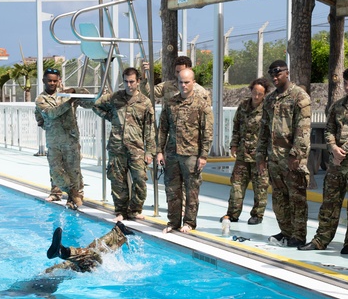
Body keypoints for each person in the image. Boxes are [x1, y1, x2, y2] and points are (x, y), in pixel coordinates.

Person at [298, 65, 348, 254]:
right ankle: (321, 240)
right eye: (345, 83)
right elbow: (329, 130)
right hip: (336, 165)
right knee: (329, 205)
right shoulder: (337, 106)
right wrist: (333, 148)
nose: (347, 87)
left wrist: (344, 150)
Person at [79, 67, 156, 222]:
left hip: (137, 149)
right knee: (117, 181)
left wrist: (150, 152)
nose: (129, 85)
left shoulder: (145, 102)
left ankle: (134, 210)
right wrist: (111, 117)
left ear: (138, 81)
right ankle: (120, 211)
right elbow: (96, 105)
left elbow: (150, 128)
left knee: (140, 180)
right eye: (126, 81)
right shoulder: (115, 97)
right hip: (116, 147)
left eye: (132, 82)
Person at [255, 59, 312, 248]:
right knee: (279, 199)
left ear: (287, 73)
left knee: (296, 198)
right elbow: (263, 129)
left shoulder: (299, 96)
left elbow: (303, 128)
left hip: (291, 159)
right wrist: (260, 156)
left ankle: (298, 235)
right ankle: (286, 231)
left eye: (278, 73)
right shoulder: (270, 99)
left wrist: (296, 155)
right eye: (272, 73)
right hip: (274, 158)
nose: (275, 77)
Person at [0, 221, 135, 297]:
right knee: (94, 253)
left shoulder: (37, 286)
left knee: (94, 252)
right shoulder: (41, 289)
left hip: (62, 270)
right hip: (66, 269)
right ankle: (118, 231)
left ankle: (62, 251)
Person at [157, 68, 214, 233]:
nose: (183, 85)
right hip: (172, 154)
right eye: (181, 82)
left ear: (193, 83)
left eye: (187, 82)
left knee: (192, 190)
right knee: (172, 189)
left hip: (191, 155)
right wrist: (159, 151)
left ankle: (189, 222)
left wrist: (203, 156)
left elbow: (207, 132)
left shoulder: (201, 104)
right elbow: (162, 129)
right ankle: (173, 222)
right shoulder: (170, 103)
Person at [34, 67, 85, 209]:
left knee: (73, 170)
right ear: (44, 80)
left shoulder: (66, 94)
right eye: (49, 80)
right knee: (56, 171)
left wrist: (74, 92)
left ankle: (74, 198)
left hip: (70, 140)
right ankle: (70, 192)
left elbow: (87, 97)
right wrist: (69, 102)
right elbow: (50, 114)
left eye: (55, 81)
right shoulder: (40, 99)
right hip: (54, 141)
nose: (52, 83)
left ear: (59, 81)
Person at [221, 78, 269, 226]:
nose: (256, 96)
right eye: (254, 93)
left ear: (265, 94)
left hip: (259, 156)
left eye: (260, 94)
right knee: (236, 185)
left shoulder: (268, 109)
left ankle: (257, 215)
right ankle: (232, 214)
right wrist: (234, 145)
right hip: (242, 154)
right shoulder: (243, 106)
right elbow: (236, 127)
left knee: (260, 187)